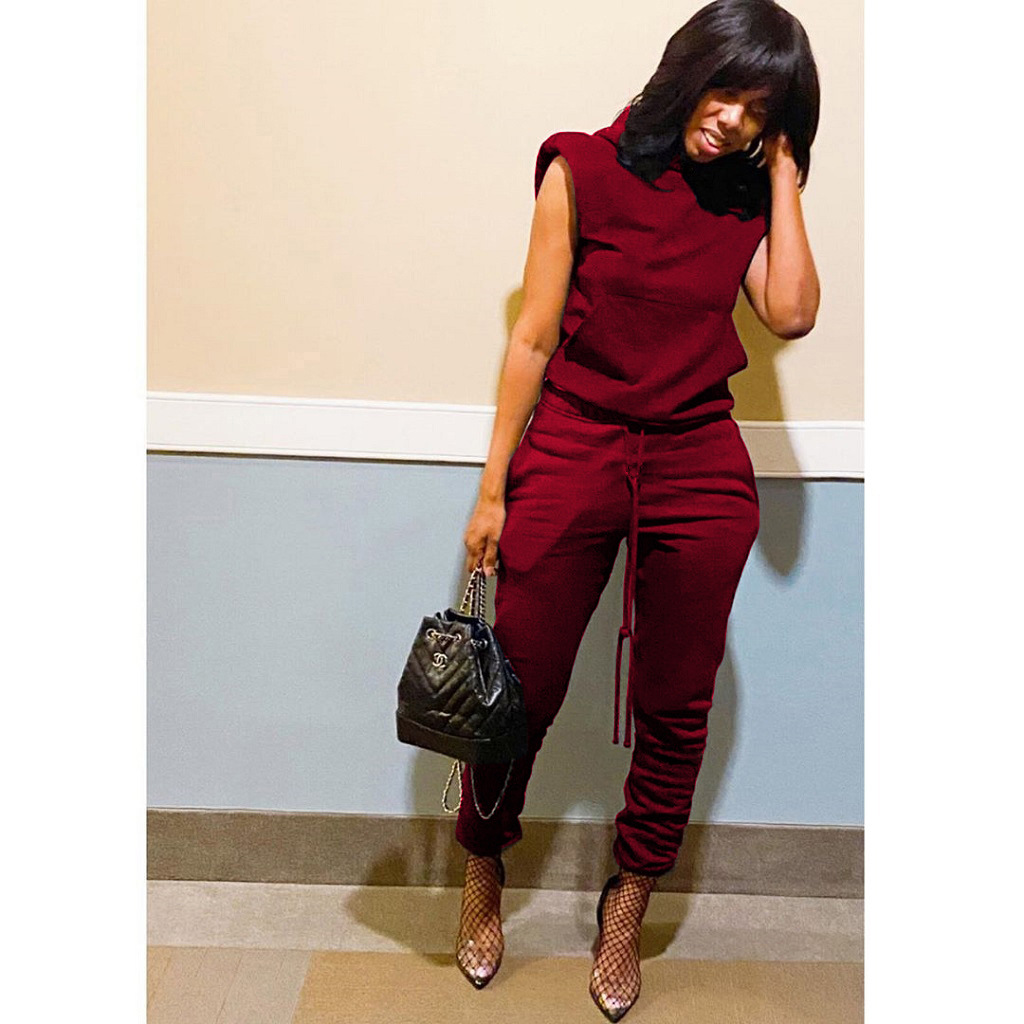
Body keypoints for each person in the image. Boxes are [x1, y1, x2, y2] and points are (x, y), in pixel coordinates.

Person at [454, 1, 820, 1018]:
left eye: (762, 109)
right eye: (727, 91)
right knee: (516, 687)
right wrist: (492, 491)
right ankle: (482, 866)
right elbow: (532, 337)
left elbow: (790, 311)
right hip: (576, 439)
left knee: (676, 702)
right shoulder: (580, 167)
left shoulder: (744, 195)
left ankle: (627, 903)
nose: (735, 120)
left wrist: (784, 173)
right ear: (687, 69)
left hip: (698, 457)